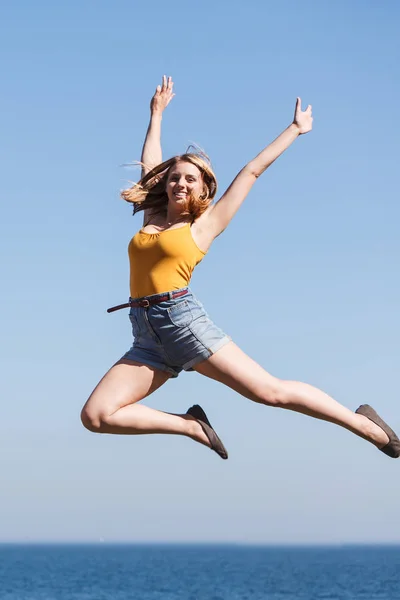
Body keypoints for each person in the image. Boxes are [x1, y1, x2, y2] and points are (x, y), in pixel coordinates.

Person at [80, 76, 399, 460]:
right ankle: (191, 425)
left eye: (190, 179)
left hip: (183, 323)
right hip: (146, 336)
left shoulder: (203, 226)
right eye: (175, 177)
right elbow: (151, 163)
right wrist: (156, 115)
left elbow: (251, 171)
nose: (180, 182)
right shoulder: (153, 215)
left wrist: (295, 130)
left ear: (203, 188)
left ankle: (365, 424)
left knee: (270, 392)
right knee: (96, 416)